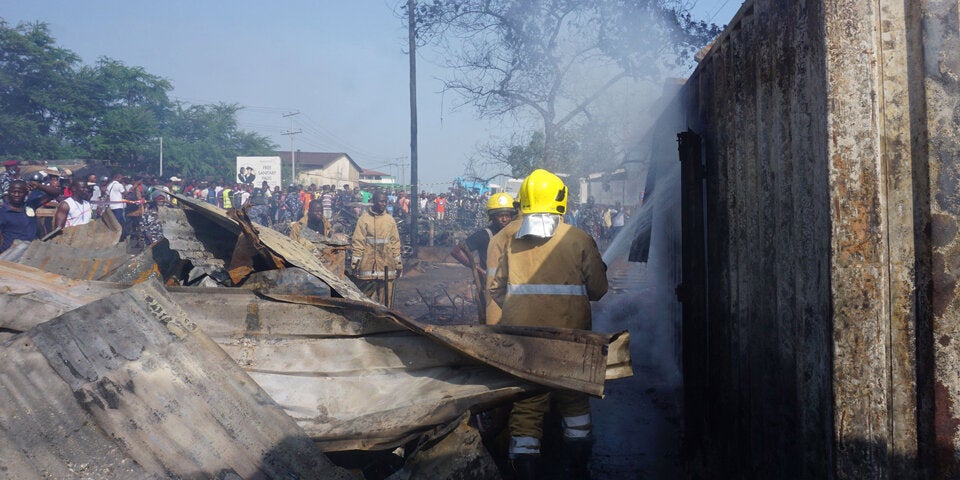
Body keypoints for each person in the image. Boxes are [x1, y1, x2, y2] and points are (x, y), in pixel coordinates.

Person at [488, 169, 608, 480]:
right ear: (560, 198)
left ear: (524, 201)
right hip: (571, 339)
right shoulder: (580, 239)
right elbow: (598, 289)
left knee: (527, 404)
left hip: (525, 340)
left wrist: (520, 311)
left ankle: (525, 471)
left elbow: (495, 288)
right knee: (574, 401)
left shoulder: (512, 243)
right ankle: (578, 469)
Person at [450, 192, 517, 322]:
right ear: (492, 217)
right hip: (490, 289)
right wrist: (478, 269)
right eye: (500, 216)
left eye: (507, 215)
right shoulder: (484, 235)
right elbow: (457, 251)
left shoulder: (515, 234)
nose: (504, 219)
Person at [349, 191, 402, 307]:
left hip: (387, 267)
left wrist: (398, 264)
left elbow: (395, 243)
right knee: (368, 303)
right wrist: (355, 264)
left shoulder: (390, 220)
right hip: (368, 268)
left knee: (387, 303)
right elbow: (358, 243)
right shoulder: (364, 220)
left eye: (385, 202)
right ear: (373, 202)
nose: (384, 204)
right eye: (381, 201)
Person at [0, 180, 38, 253]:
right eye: (13, 192)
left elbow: (55, 193)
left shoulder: (30, 205)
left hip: (33, 251)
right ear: (8, 193)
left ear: (26, 193)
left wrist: (39, 186)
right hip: (11, 253)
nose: (16, 194)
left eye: (20, 192)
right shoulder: (3, 212)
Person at [105, 172, 128, 238]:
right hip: (118, 206)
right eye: (121, 178)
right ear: (118, 178)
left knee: (113, 222)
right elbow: (125, 193)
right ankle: (119, 236)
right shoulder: (119, 185)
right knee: (118, 223)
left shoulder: (109, 185)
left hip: (111, 206)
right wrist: (124, 186)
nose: (122, 179)